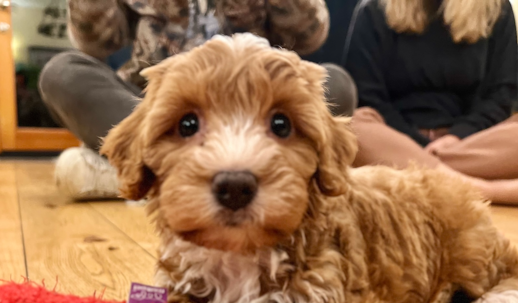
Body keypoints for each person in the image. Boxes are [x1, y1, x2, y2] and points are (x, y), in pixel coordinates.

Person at [40, 0, 357, 199]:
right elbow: (97, 42)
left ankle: (131, 174)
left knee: (336, 83)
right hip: (155, 106)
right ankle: (146, 155)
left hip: (258, 117)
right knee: (62, 73)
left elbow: (309, 37)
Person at [344, 0, 518, 209]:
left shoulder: (497, 9)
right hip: (392, 138)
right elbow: (367, 97)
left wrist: (456, 137)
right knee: (353, 127)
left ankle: (415, 178)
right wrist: (414, 144)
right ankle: (486, 190)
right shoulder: (373, 9)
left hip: (468, 145)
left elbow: (500, 97)